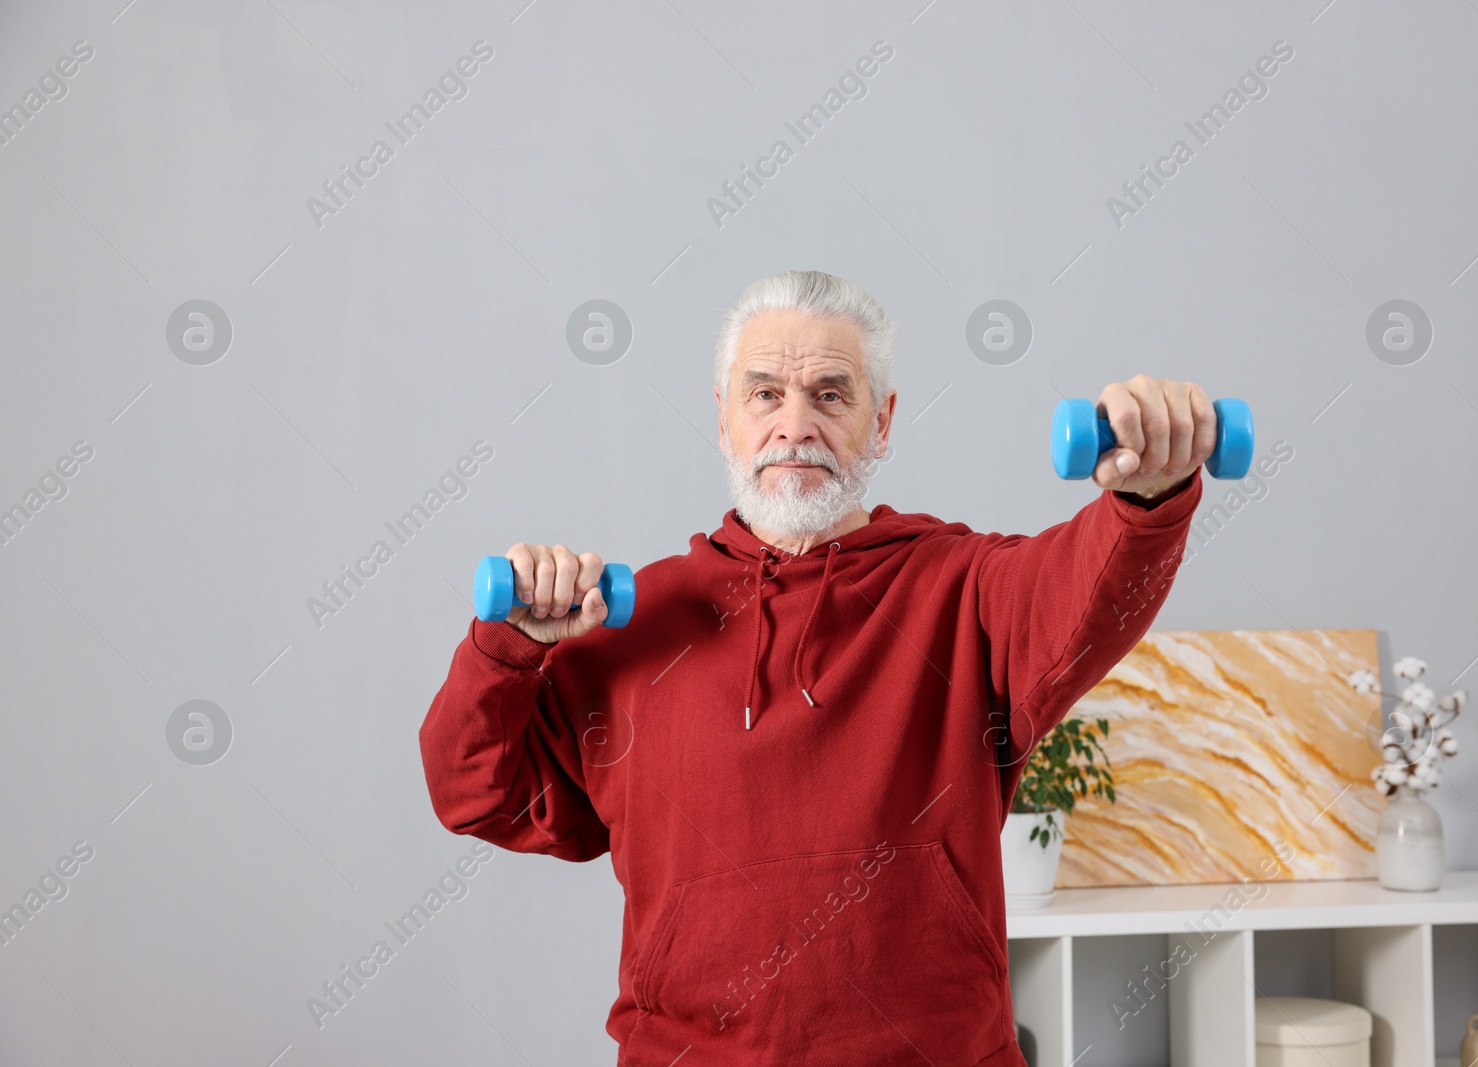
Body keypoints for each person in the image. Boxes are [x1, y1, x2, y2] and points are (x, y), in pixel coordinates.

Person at [420, 270, 1209, 1066]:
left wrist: (1149, 499)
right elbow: (473, 789)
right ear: (723, 418)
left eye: (831, 395)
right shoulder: (637, 623)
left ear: (883, 421)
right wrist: (509, 646)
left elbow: (1089, 589)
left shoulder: (966, 589)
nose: (794, 426)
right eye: (765, 394)